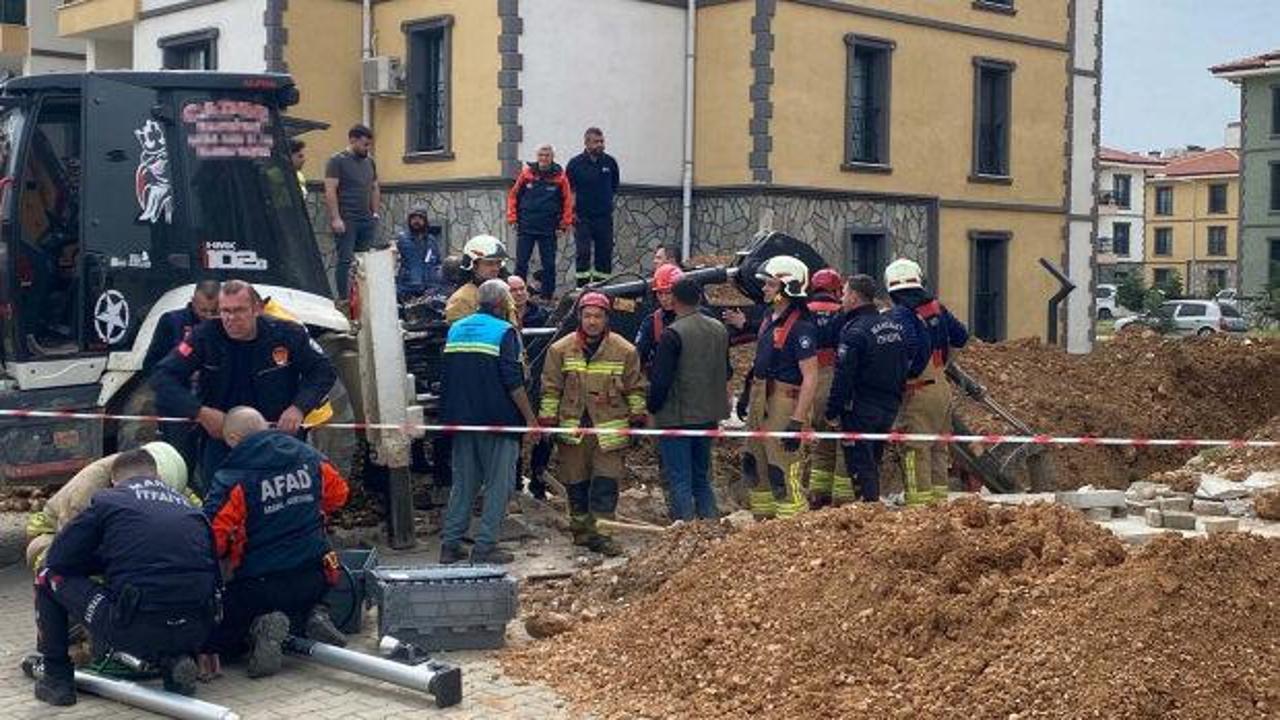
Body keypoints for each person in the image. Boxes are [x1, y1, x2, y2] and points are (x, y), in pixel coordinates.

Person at [32, 449, 219, 705]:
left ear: (114, 480)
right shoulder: (190, 508)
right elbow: (213, 576)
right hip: (197, 629)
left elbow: (59, 558)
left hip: (134, 625)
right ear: (158, 477)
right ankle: (173, 663)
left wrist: (104, 561)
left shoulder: (108, 501)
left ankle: (56, 678)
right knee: (167, 593)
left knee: (47, 576)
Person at [202, 407, 349, 678]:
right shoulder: (308, 456)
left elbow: (213, 540)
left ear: (233, 438)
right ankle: (311, 615)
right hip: (317, 576)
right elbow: (338, 495)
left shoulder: (234, 476)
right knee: (306, 578)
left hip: (260, 585)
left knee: (217, 638)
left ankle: (258, 630)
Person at [151, 280, 338, 482]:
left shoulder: (287, 333)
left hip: (277, 436)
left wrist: (299, 407)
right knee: (219, 504)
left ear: (256, 309)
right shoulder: (204, 336)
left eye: (239, 310)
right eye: (225, 311)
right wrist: (200, 412)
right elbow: (162, 377)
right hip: (223, 439)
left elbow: (323, 371)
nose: (231, 318)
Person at [439, 280, 539, 564]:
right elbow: (513, 381)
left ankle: (450, 544)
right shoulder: (504, 332)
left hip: (461, 422)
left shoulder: (457, 329)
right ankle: (484, 547)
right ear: (501, 304)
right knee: (499, 485)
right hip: (499, 422)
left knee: (464, 484)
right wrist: (530, 419)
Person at [539, 292, 646, 556]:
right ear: (580, 318)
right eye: (587, 316)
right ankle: (581, 534)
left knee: (605, 486)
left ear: (607, 319)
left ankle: (603, 536)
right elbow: (550, 390)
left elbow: (636, 389)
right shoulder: (560, 349)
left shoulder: (625, 350)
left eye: (598, 316)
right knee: (576, 485)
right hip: (573, 431)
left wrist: (637, 419)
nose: (592, 321)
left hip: (609, 434)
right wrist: (549, 423)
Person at [25, 442, 195, 573]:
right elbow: (70, 546)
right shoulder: (88, 490)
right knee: (60, 568)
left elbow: (193, 504)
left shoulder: (158, 472)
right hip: (56, 531)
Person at [739, 255, 818, 520]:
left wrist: (797, 421)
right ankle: (764, 525)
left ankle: (792, 526)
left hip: (784, 402)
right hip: (762, 399)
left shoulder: (802, 328)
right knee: (755, 464)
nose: (764, 289)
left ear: (787, 289)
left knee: (781, 468)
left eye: (771, 285)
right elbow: (762, 360)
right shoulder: (769, 318)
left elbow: (810, 377)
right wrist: (749, 395)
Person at [884, 258, 969, 506]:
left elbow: (910, 349)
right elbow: (961, 336)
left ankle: (918, 506)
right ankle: (938, 505)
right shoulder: (936, 308)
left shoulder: (900, 314)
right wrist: (943, 364)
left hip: (917, 390)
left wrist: (901, 377)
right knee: (938, 448)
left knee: (914, 449)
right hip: (940, 386)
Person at [647, 278, 731, 520]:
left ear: (674, 299)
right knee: (701, 477)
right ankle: (711, 527)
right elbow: (726, 371)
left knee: (680, 479)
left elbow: (661, 380)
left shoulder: (673, 333)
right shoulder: (719, 329)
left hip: (678, 418)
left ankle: (685, 530)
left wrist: (652, 408)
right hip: (708, 416)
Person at [825, 275, 908, 503]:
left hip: (861, 408)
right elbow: (904, 365)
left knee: (861, 464)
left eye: (843, 293)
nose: (841, 298)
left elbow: (843, 376)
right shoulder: (892, 326)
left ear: (853, 297)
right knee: (874, 459)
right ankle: (872, 509)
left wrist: (832, 410)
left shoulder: (854, 332)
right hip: (889, 405)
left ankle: (869, 510)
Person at [805, 268, 855, 509]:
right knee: (844, 442)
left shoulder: (801, 311)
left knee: (821, 442)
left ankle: (817, 494)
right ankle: (842, 500)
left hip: (810, 383)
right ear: (837, 289)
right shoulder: (845, 313)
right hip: (835, 377)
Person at [507, 144, 573, 302]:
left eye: (547, 155)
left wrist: (563, 225)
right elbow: (513, 196)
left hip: (549, 228)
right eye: (541, 155)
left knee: (549, 265)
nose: (543, 158)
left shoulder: (560, 177)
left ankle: (547, 297)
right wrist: (512, 218)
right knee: (521, 264)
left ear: (552, 157)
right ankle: (516, 296)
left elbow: (568, 202)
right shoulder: (526, 173)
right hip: (526, 226)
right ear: (537, 157)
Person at [324, 124, 381, 301]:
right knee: (345, 260)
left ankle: (362, 298)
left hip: (366, 219)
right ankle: (343, 299)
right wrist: (336, 218)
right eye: (364, 144)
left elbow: (375, 187)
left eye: (369, 145)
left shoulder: (370, 162)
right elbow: (330, 190)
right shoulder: (337, 161)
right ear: (352, 140)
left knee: (364, 261)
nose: (367, 148)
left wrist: (375, 213)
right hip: (346, 219)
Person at [508, 275, 552, 499]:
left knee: (544, 434)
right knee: (513, 434)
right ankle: (514, 481)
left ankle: (538, 480)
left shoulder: (543, 316)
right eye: (513, 290)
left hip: (539, 381)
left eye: (522, 288)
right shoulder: (502, 318)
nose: (519, 293)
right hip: (512, 384)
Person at [566, 127, 620, 287]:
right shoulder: (575, 164)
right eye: (596, 142)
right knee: (583, 253)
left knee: (604, 254)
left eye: (602, 141)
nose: (600, 145)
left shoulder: (610, 162)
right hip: (582, 218)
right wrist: (571, 213)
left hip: (603, 218)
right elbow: (568, 190)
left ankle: (601, 288)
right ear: (587, 143)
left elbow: (614, 186)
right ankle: (581, 288)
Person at [142, 281, 222, 371]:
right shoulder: (171, 321)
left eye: (214, 311)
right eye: (203, 310)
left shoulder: (230, 325)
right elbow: (151, 363)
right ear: (193, 302)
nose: (208, 316)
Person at [445, 234, 520, 325]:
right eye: (489, 263)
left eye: (498, 263)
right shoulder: (461, 299)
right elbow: (460, 334)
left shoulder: (503, 294)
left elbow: (513, 328)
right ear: (474, 266)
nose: (496, 268)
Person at [634, 263, 684, 373]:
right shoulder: (652, 323)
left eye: (668, 293)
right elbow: (639, 357)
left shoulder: (695, 319)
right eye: (660, 294)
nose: (664, 298)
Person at [395, 204, 444, 300]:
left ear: (425, 221)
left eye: (420, 218)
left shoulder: (431, 241)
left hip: (428, 292)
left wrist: (435, 287)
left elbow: (437, 264)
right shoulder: (401, 240)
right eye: (413, 218)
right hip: (406, 291)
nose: (416, 221)